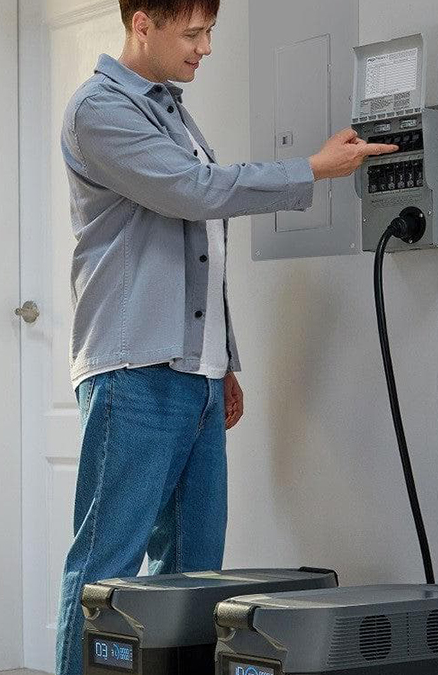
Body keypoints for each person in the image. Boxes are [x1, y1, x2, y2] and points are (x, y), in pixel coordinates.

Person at [54, 1, 396, 673]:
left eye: (209, 31)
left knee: (193, 575)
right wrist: (311, 169)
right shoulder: (99, 109)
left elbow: (200, 243)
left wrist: (222, 360)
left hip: (195, 375)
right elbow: (196, 192)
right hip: (134, 369)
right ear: (142, 23)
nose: (206, 47)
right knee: (105, 568)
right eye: (194, 32)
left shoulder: (170, 110)